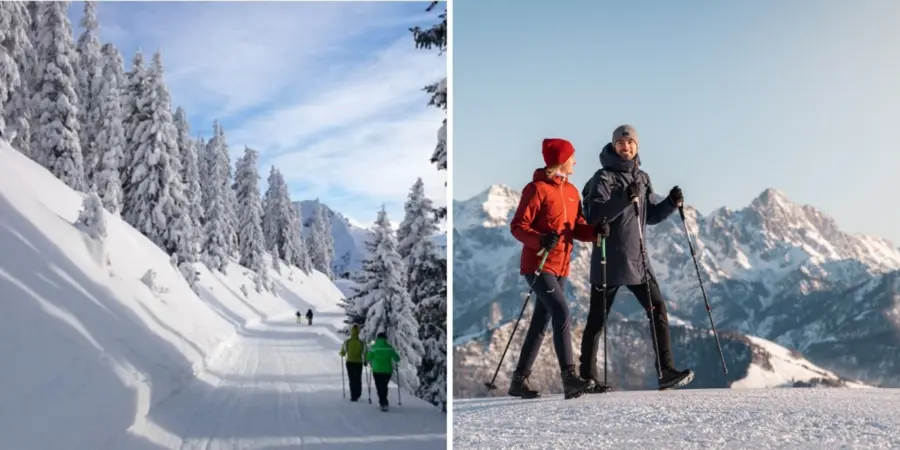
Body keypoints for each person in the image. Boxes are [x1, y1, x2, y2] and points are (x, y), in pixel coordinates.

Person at [579, 124, 694, 392]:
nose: (626, 146)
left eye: (630, 143)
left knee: (658, 311)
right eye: (621, 142)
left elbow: (648, 217)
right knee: (597, 320)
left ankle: (666, 371)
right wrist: (622, 198)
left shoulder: (642, 178)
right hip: (609, 258)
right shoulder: (603, 178)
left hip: (638, 261)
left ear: (637, 147)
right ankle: (587, 377)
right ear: (613, 146)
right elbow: (595, 215)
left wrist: (670, 204)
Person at [507, 138, 605, 400]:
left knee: (542, 320)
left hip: (562, 266)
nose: (575, 161)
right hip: (538, 265)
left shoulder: (572, 192)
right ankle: (569, 377)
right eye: (572, 157)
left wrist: (596, 232)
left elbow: (578, 227)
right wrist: (540, 240)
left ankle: (519, 380)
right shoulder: (536, 189)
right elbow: (518, 226)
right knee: (562, 311)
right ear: (561, 160)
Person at [366, 332, 400, 411]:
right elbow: (397, 358)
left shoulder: (373, 347)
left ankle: (383, 402)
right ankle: (384, 402)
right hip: (387, 370)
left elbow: (368, 358)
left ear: (377, 338)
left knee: (379, 386)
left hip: (377, 370)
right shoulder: (389, 347)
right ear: (385, 339)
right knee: (384, 385)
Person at [339, 324, 367, 402]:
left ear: (351, 332)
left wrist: (342, 354)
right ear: (358, 332)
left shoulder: (347, 342)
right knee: (358, 378)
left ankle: (353, 395)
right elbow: (365, 352)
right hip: (358, 362)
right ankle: (358, 393)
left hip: (349, 362)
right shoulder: (361, 342)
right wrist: (365, 360)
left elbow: (343, 351)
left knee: (351, 379)